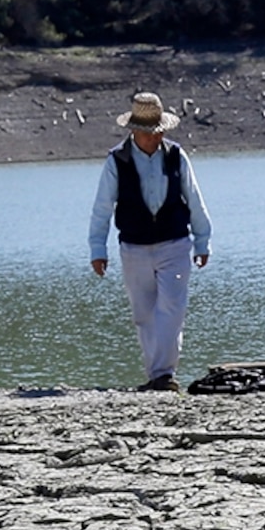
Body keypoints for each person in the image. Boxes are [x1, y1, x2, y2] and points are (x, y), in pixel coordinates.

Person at [87, 92, 212, 393]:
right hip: (134, 248)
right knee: (144, 315)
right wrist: (97, 249)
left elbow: (194, 199)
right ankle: (157, 374)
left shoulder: (176, 155)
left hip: (175, 244)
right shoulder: (117, 160)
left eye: (160, 132)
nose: (157, 138)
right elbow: (102, 208)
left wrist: (203, 241)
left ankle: (164, 374)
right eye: (151, 134)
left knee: (172, 308)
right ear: (135, 132)